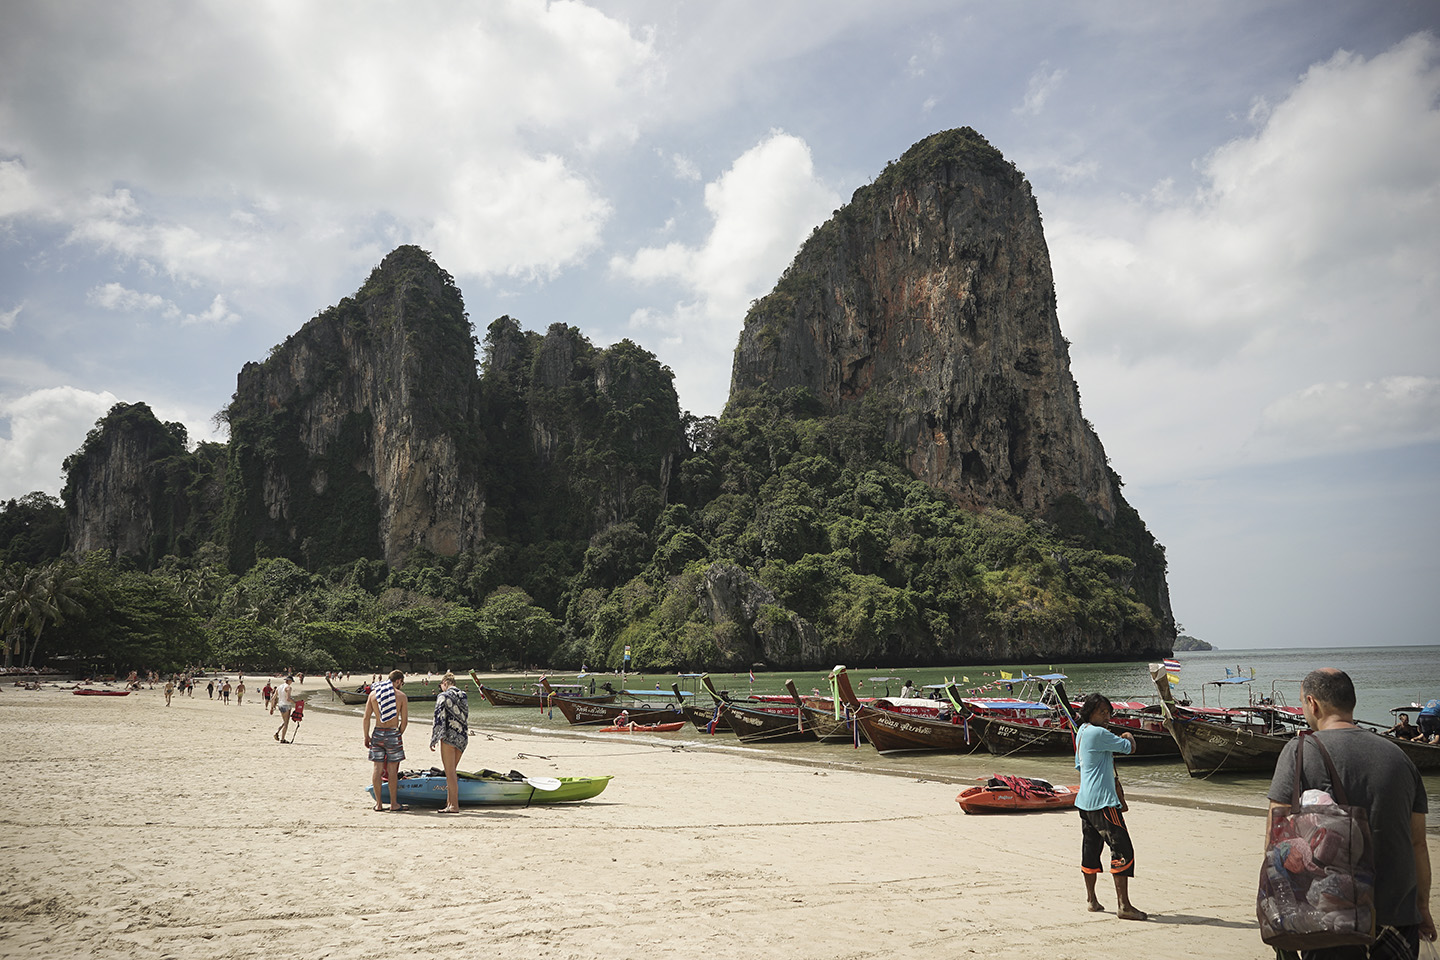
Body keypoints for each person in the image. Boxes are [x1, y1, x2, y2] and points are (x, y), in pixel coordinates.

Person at [1267, 669, 1433, 958]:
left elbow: (1276, 840)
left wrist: (1282, 915)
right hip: (1397, 918)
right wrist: (1421, 908)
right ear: (1351, 702)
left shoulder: (1300, 752)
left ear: (1312, 703)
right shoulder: (1401, 758)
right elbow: (1418, 843)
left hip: (1330, 916)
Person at [1073, 693, 1146, 921]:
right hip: (1104, 802)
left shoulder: (1082, 732)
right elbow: (1128, 748)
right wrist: (1129, 735)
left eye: (1108, 713)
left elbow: (1079, 765)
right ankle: (1124, 906)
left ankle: (1092, 900)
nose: (1107, 717)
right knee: (1122, 850)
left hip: (1085, 802)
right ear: (1090, 712)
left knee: (1091, 850)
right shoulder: (1098, 733)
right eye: (1102, 712)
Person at [364, 670, 409, 811]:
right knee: (392, 770)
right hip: (393, 733)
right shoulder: (401, 696)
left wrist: (366, 736)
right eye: (402, 682)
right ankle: (394, 803)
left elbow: (366, 718)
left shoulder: (373, 695)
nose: (401, 685)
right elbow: (404, 721)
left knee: (377, 769)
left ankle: (378, 804)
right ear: (398, 680)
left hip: (377, 732)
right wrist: (398, 734)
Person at [429, 673, 470, 813]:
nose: (440, 688)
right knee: (451, 772)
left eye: (441, 685)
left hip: (448, 737)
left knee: (450, 772)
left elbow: (439, 718)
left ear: (445, 682)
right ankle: (449, 802)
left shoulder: (443, 696)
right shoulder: (463, 695)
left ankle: (453, 806)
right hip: (462, 737)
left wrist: (434, 738)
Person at [274, 676, 296, 742]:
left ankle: (277, 732)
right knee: (286, 723)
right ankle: (282, 739)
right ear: (289, 681)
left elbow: (273, 697)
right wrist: (295, 702)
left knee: (284, 721)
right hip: (286, 705)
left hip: (280, 705)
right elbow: (288, 699)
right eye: (291, 681)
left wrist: (272, 707)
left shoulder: (279, 687)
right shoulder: (288, 688)